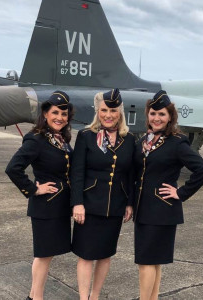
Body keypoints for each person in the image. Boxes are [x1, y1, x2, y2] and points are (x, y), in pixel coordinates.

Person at [133, 90, 203, 300]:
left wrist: (181, 192)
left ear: (170, 118)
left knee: (146, 262)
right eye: (153, 113)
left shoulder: (177, 142)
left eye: (162, 114)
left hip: (161, 210)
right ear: (147, 115)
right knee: (153, 260)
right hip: (144, 210)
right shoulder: (143, 141)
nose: (156, 118)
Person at [5, 91, 74, 300]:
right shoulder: (36, 140)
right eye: (55, 112)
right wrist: (34, 189)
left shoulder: (61, 139)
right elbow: (13, 168)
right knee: (43, 256)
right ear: (45, 114)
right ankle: (37, 298)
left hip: (58, 207)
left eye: (64, 113)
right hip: (45, 207)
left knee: (46, 255)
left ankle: (33, 296)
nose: (59, 117)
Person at [70, 88, 135, 300]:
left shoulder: (130, 139)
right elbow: (77, 172)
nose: (108, 115)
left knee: (105, 255)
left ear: (120, 113)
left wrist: (129, 203)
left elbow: (131, 175)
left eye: (113, 110)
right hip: (88, 206)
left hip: (115, 206)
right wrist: (77, 203)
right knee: (86, 256)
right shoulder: (86, 136)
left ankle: (95, 296)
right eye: (104, 110)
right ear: (98, 111)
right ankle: (83, 297)